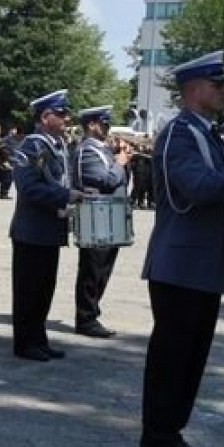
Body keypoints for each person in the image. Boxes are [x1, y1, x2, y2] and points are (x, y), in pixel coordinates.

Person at [139, 51, 224, 447]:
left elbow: (221, 184)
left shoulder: (205, 133)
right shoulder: (181, 134)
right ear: (195, 90)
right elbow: (196, 188)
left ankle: (172, 431)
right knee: (172, 357)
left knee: (192, 358)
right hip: (180, 265)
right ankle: (156, 437)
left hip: (200, 264)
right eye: (218, 85)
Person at [9, 90, 80, 362]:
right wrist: (65, 196)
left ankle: (38, 338)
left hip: (50, 229)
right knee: (29, 290)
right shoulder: (32, 146)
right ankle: (25, 343)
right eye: (60, 114)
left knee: (44, 290)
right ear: (45, 116)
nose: (66, 118)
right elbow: (28, 188)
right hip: (32, 230)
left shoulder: (57, 145)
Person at [70, 105, 130, 338]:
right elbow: (104, 180)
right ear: (92, 125)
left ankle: (92, 313)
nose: (107, 129)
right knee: (92, 271)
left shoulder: (102, 150)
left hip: (108, 217)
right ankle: (85, 318)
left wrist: (119, 160)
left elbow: (119, 180)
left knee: (103, 270)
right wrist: (120, 162)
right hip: (97, 217)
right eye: (104, 124)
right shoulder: (87, 151)